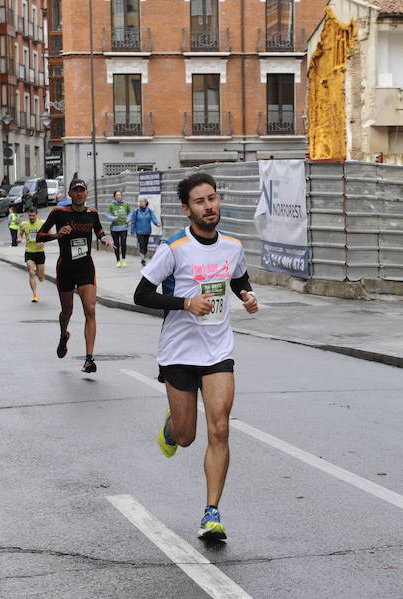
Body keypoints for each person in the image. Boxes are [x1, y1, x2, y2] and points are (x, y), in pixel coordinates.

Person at [133, 172, 259, 541]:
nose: (209, 206)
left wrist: (247, 296)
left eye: (213, 199)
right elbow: (142, 294)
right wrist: (185, 303)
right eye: (201, 202)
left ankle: (211, 513)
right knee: (187, 437)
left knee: (219, 428)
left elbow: (239, 279)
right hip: (179, 352)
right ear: (187, 209)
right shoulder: (174, 249)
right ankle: (173, 426)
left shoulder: (233, 246)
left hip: (218, 350)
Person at [36, 177, 114, 373]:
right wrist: (57, 235)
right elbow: (39, 236)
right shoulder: (59, 213)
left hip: (86, 267)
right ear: (70, 194)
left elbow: (98, 230)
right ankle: (63, 335)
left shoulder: (92, 213)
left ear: (86, 193)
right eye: (75, 190)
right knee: (67, 312)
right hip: (66, 268)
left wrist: (104, 239)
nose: (79, 193)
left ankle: (89, 359)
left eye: (82, 190)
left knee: (90, 309)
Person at [18, 207, 46, 302]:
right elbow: (20, 234)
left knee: (40, 275)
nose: (31, 217)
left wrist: (43, 242)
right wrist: (19, 239)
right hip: (29, 251)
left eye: (33, 215)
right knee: (31, 272)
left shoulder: (42, 223)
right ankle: (35, 295)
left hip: (40, 252)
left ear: (36, 215)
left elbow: (50, 234)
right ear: (27, 215)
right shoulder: (24, 224)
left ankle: (41, 276)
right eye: (30, 215)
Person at [129, 198, 161, 266]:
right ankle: (143, 259)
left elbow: (153, 218)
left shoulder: (149, 211)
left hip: (147, 231)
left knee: (145, 245)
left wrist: (157, 223)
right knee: (141, 244)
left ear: (146, 202)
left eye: (142, 201)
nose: (140, 203)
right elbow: (133, 222)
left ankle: (144, 256)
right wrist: (132, 231)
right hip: (139, 231)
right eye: (140, 201)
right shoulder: (136, 211)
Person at [105, 189, 131, 267]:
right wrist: (113, 218)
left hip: (124, 227)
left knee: (123, 243)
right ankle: (118, 260)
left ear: (122, 196)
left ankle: (123, 259)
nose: (119, 196)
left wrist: (128, 219)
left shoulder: (125, 204)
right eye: (117, 195)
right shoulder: (111, 205)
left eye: (120, 195)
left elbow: (130, 213)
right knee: (116, 244)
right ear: (114, 197)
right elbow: (107, 215)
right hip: (114, 228)